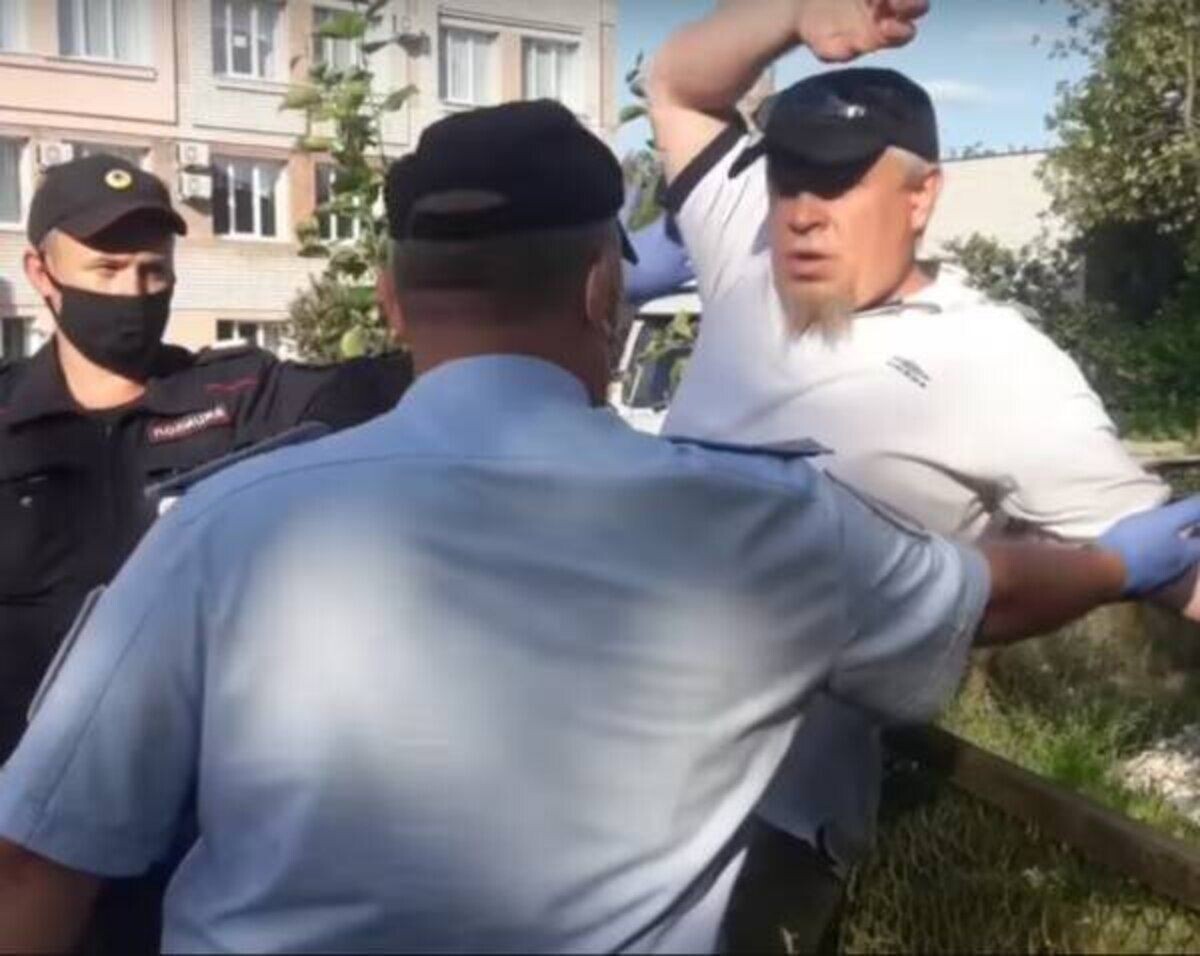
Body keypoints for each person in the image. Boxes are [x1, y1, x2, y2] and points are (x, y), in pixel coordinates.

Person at [1, 91, 1200, 953]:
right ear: (600, 291)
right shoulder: (766, 521)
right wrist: (1128, 553)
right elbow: (985, 593)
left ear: (392, 300)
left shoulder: (222, 526)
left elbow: (37, 866)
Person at [646, 0, 1199, 948]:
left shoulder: (1002, 366)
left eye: (840, 183)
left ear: (921, 196)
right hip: (608, 750)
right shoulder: (750, 243)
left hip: (766, 825)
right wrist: (792, 14)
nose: (804, 211)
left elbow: (1172, 560)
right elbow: (679, 84)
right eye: (790, 177)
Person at [0, 153, 412, 952]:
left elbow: (401, 380)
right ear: (41, 274)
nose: (132, 292)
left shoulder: (239, 397)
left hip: (196, 850)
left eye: (153, 271)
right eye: (106, 269)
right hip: (27, 850)